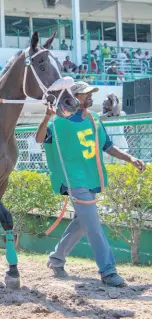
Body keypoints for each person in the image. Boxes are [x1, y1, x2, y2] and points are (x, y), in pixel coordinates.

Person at [35, 81, 145, 287]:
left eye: (90, 93)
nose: (90, 97)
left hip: (91, 179)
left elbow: (107, 146)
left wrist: (130, 158)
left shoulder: (94, 119)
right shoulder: (58, 122)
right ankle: (108, 271)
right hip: (73, 181)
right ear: (74, 97)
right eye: (85, 94)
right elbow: (39, 139)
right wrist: (46, 118)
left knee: (82, 224)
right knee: (93, 225)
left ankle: (56, 259)